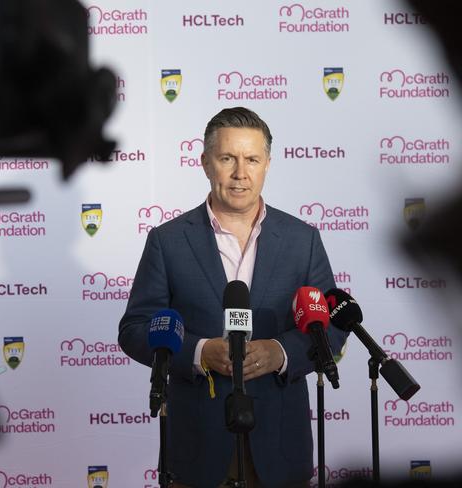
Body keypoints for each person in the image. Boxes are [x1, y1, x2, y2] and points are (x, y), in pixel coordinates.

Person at [119, 107, 346, 488]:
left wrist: (281, 352)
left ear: (268, 164)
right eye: (228, 159)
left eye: (252, 160)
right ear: (206, 163)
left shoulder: (301, 240)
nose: (241, 173)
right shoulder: (168, 241)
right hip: (196, 449)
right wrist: (199, 351)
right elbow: (136, 329)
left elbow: (332, 329)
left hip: (279, 447)